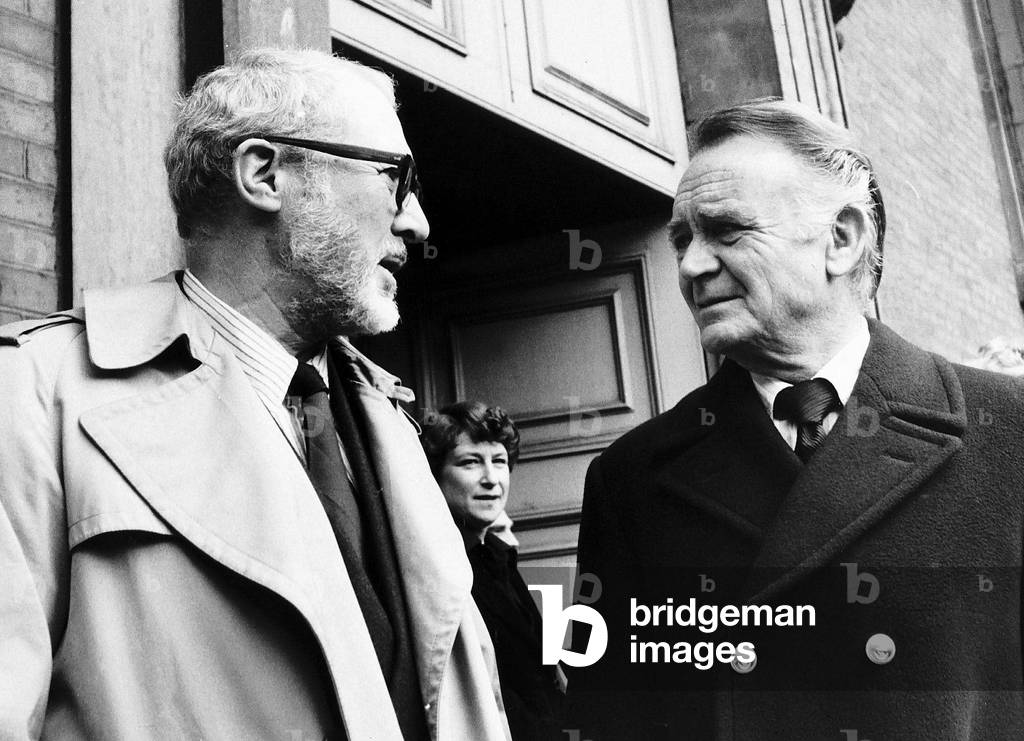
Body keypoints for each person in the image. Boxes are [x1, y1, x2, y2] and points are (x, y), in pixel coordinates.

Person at [0, 49, 509, 740]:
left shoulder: (392, 419)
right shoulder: (33, 391)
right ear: (266, 173)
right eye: (397, 177)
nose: (416, 222)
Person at [569, 99, 1024, 740]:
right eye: (682, 240)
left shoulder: (1006, 431)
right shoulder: (631, 477)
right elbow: (608, 718)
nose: (692, 266)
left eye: (728, 231)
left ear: (841, 239)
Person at [421, 402, 564, 740]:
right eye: (470, 462)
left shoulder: (498, 558)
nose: (491, 479)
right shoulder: (443, 572)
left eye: (499, 462)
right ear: (436, 474)